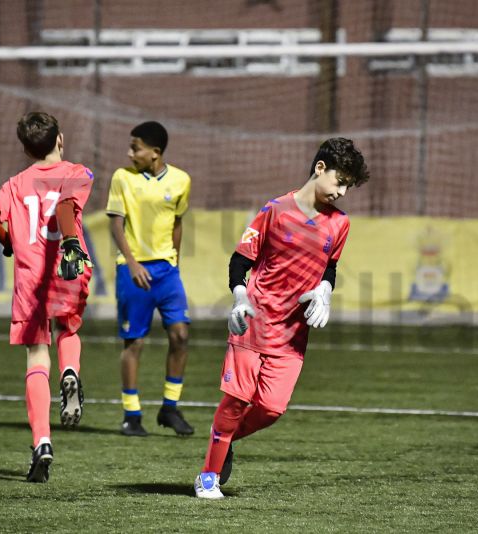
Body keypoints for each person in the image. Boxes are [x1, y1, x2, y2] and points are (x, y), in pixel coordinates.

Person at [193, 137, 370, 499]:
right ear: (320, 168)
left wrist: (325, 291)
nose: (342, 193)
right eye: (340, 182)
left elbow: (330, 267)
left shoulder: (340, 224)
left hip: (293, 333)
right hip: (254, 320)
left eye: (348, 187)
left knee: (272, 409)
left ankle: (223, 438)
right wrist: (239, 296)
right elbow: (240, 259)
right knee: (236, 401)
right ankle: (208, 476)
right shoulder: (275, 210)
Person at [0, 111, 94, 483]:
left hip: (30, 279)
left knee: (35, 357)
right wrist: (71, 243)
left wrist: (9, 242)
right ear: (60, 139)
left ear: (27, 150)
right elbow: (66, 207)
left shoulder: (14, 184)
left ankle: (42, 442)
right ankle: (71, 371)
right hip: (66, 267)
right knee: (68, 329)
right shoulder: (77, 173)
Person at [105, 121, 194, 437]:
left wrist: (175, 265)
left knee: (180, 336)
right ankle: (131, 415)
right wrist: (132, 264)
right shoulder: (122, 178)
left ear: (155, 152)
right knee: (135, 342)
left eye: (136, 148)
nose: (130, 153)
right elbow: (116, 224)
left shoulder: (181, 180)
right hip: (133, 271)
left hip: (166, 271)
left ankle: (170, 408)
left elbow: (177, 223)